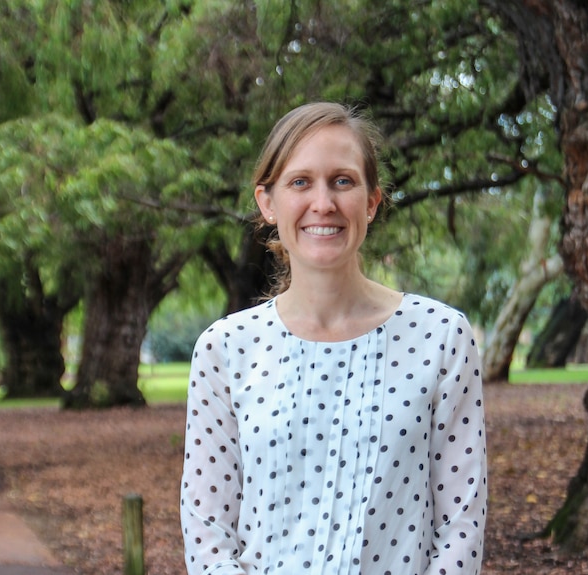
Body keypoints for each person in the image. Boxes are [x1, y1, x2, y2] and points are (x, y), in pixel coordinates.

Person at [180, 102, 487, 575]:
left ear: (371, 201)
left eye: (342, 181)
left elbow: (461, 527)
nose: (323, 203)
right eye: (300, 182)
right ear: (267, 202)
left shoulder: (441, 338)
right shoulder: (226, 349)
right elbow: (207, 533)